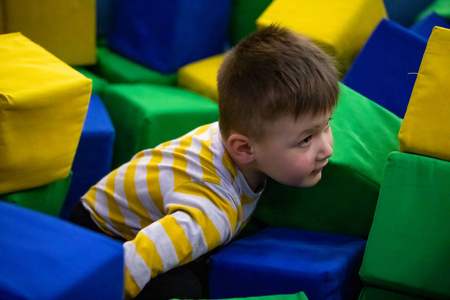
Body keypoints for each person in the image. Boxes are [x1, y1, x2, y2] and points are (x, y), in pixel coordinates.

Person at [69, 24, 339, 299]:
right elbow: (138, 258)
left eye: (327, 125)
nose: (327, 148)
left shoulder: (247, 134)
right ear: (244, 148)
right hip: (101, 235)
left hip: (137, 210)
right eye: (305, 140)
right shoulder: (210, 210)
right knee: (185, 288)